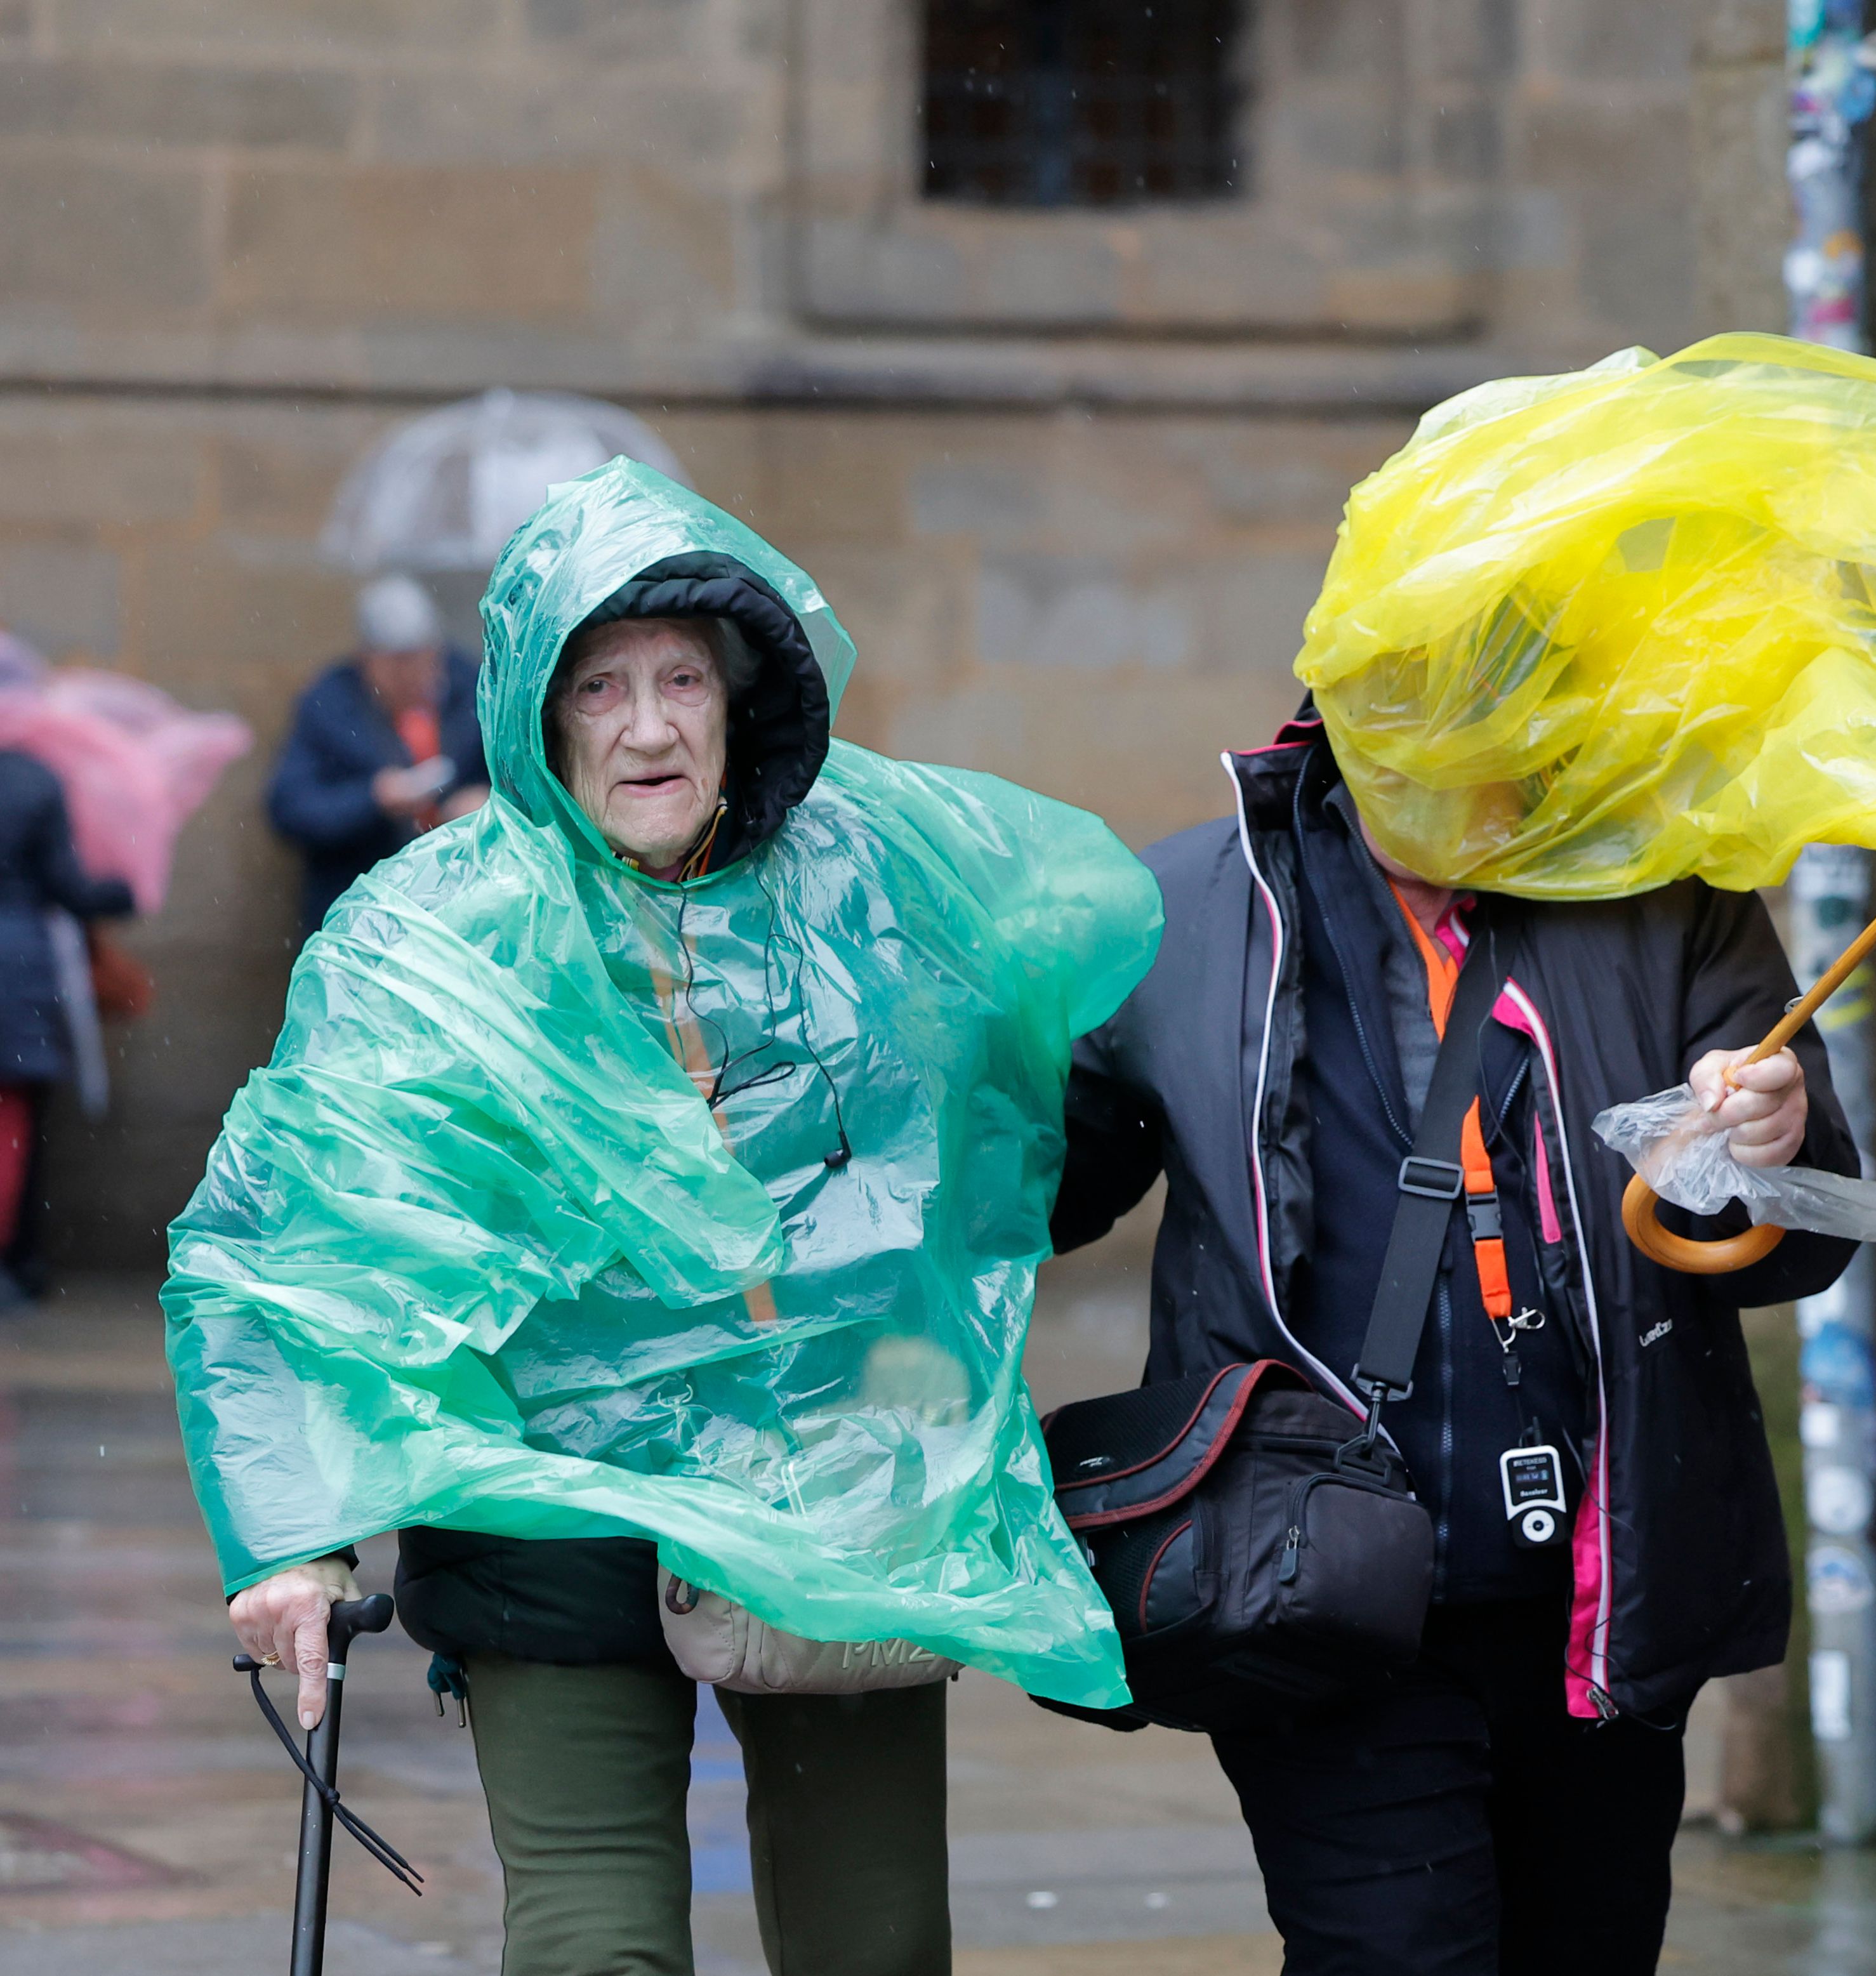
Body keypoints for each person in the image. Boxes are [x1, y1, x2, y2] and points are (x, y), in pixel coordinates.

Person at [185, 464, 1156, 1976]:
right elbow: (285, 1237)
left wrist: (945, 1370)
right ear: (539, 712)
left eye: (683, 678)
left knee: (876, 1941)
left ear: (736, 698)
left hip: (836, 1497)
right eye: (603, 685)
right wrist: (293, 1534)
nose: (648, 725)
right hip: (548, 1504)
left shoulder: (872, 882)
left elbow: (1028, 1109)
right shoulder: (427, 939)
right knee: (594, 1948)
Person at [1049, 702, 1861, 1974]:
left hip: (1602, 1594)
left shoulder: (1667, 896)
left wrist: (1775, 1144)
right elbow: (1033, 1190)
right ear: (1335, 706)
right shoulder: (1186, 910)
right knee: (1395, 1954)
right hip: (1311, 1587)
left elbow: (1800, 1247)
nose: (1443, 763)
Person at [267, 572, 490, 933]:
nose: (412, 676)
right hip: (363, 908)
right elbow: (289, 807)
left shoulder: (477, 692)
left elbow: (529, 778)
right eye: (396, 664)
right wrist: (372, 799)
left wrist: (488, 805)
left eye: (422, 659)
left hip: (463, 904)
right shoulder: (329, 706)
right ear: (365, 660)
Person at [0, 744, 131, 1307]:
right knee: (13, 1127)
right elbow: (69, 885)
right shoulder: (34, 778)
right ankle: (14, 1262)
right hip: (18, 969)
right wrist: (121, 892)